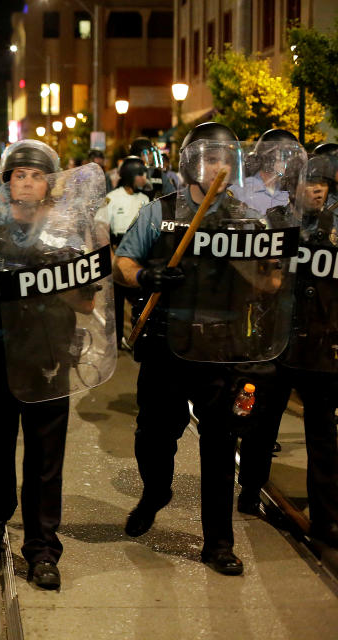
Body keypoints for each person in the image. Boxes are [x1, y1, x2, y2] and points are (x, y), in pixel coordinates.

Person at [113, 121, 295, 576]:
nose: (219, 166)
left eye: (225, 159)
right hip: (166, 346)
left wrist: (253, 264)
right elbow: (122, 263)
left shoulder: (247, 217)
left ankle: (218, 544)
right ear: (193, 163)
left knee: (220, 446)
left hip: (224, 349)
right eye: (210, 158)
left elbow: (270, 283)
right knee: (154, 437)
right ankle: (156, 491)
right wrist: (146, 277)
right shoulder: (160, 212)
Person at [0, 139, 109, 590]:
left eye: (36, 176)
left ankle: (43, 549)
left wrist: (70, 275)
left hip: (47, 358)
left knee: (46, 459)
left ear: (49, 186)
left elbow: (87, 306)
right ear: (7, 183)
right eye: (19, 175)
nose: (27, 183)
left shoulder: (68, 236)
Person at [236, 153, 338, 548]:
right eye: (310, 182)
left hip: (321, 345)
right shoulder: (276, 221)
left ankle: (328, 517)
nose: (316, 189)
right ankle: (250, 487)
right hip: (278, 341)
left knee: (323, 433)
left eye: (323, 184)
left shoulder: (335, 228)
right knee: (262, 420)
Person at [95, 156, 149, 346]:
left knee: (140, 302)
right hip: (117, 254)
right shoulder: (112, 199)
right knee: (116, 304)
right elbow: (101, 229)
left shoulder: (146, 199)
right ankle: (115, 340)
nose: (144, 178)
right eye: (140, 174)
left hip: (140, 257)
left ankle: (139, 338)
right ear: (129, 176)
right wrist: (109, 256)